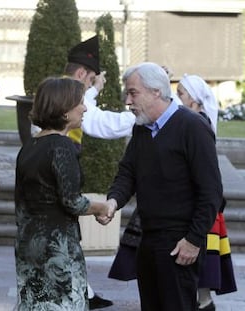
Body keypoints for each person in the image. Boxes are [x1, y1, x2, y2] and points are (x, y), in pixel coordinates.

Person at [105, 62, 223, 311]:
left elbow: (211, 191)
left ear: (156, 91)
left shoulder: (193, 127)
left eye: (133, 93)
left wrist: (193, 240)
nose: (128, 100)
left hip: (180, 241)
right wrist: (113, 201)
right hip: (148, 239)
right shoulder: (142, 129)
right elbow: (128, 172)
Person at [15, 76, 113, 310]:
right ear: (64, 110)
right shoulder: (62, 146)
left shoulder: (30, 145)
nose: (85, 107)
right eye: (80, 101)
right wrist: (102, 207)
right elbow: (72, 202)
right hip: (57, 248)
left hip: (29, 243)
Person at [63, 34, 135, 309]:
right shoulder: (69, 96)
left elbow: (86, 107)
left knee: (68, 237)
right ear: (82, 73)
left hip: (61, 164)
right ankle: (79, 292)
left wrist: (93, 90)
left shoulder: (65, 91)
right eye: (91, 79)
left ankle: (84, 290)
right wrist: (145, 113)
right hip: (59, 166)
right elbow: (100, 123)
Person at [177, 74, 237, 311]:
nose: (177, 99)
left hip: (198, 204)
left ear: (194, 99)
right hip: (197, 203)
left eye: (181, 94)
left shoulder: (198, 123)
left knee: (198, 270)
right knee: (197, 277)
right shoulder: (197, 120)